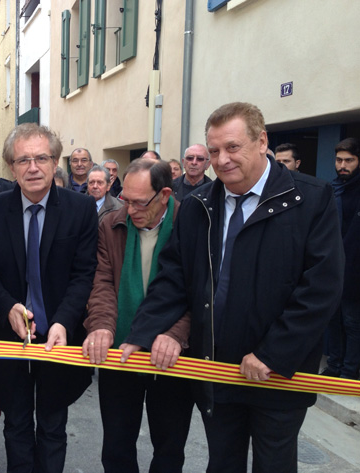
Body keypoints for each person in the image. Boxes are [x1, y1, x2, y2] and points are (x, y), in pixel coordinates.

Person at [121, 102, 344, 472]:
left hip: (277, 375)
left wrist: (272, 354)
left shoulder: (311, 199)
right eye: (213, 151)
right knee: (222, 463)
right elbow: (174, 277)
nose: (221, 160)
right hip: (217, 370)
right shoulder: (198, 206)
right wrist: (140, 333)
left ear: (261, 141)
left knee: (274, 465)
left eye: (232, 147)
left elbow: (322, 288)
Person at [0, 123, 97, 473]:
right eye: (23, 159)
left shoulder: (81, 209)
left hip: (60, 333)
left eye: (41, 157)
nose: (33, 167)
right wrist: (7, 306)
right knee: (16, 424)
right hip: (8, 334)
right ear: (11, 166)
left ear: (56, 163)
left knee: (53, 425)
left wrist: (63, 321)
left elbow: (84, 274)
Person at [83, 159, 193, 473]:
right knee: (117, 445)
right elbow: (102, 282)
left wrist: (176, 334)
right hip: (121, 350)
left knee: (169, 447)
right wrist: (103, 326)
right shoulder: (111, 222)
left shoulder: (191, 223)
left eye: (139, 203)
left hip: (173, 355)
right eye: (126, 200)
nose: (130, 211)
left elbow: (198, 292)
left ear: (165, 194)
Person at [321, 137, 360, 380]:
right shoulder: (331, 189)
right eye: (339, 160)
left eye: (349, 160)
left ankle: (349, 370)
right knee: (332, 321)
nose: (342, 165)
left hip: (355, 273)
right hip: (332, 271)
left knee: (353, 324)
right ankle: (334, 365)